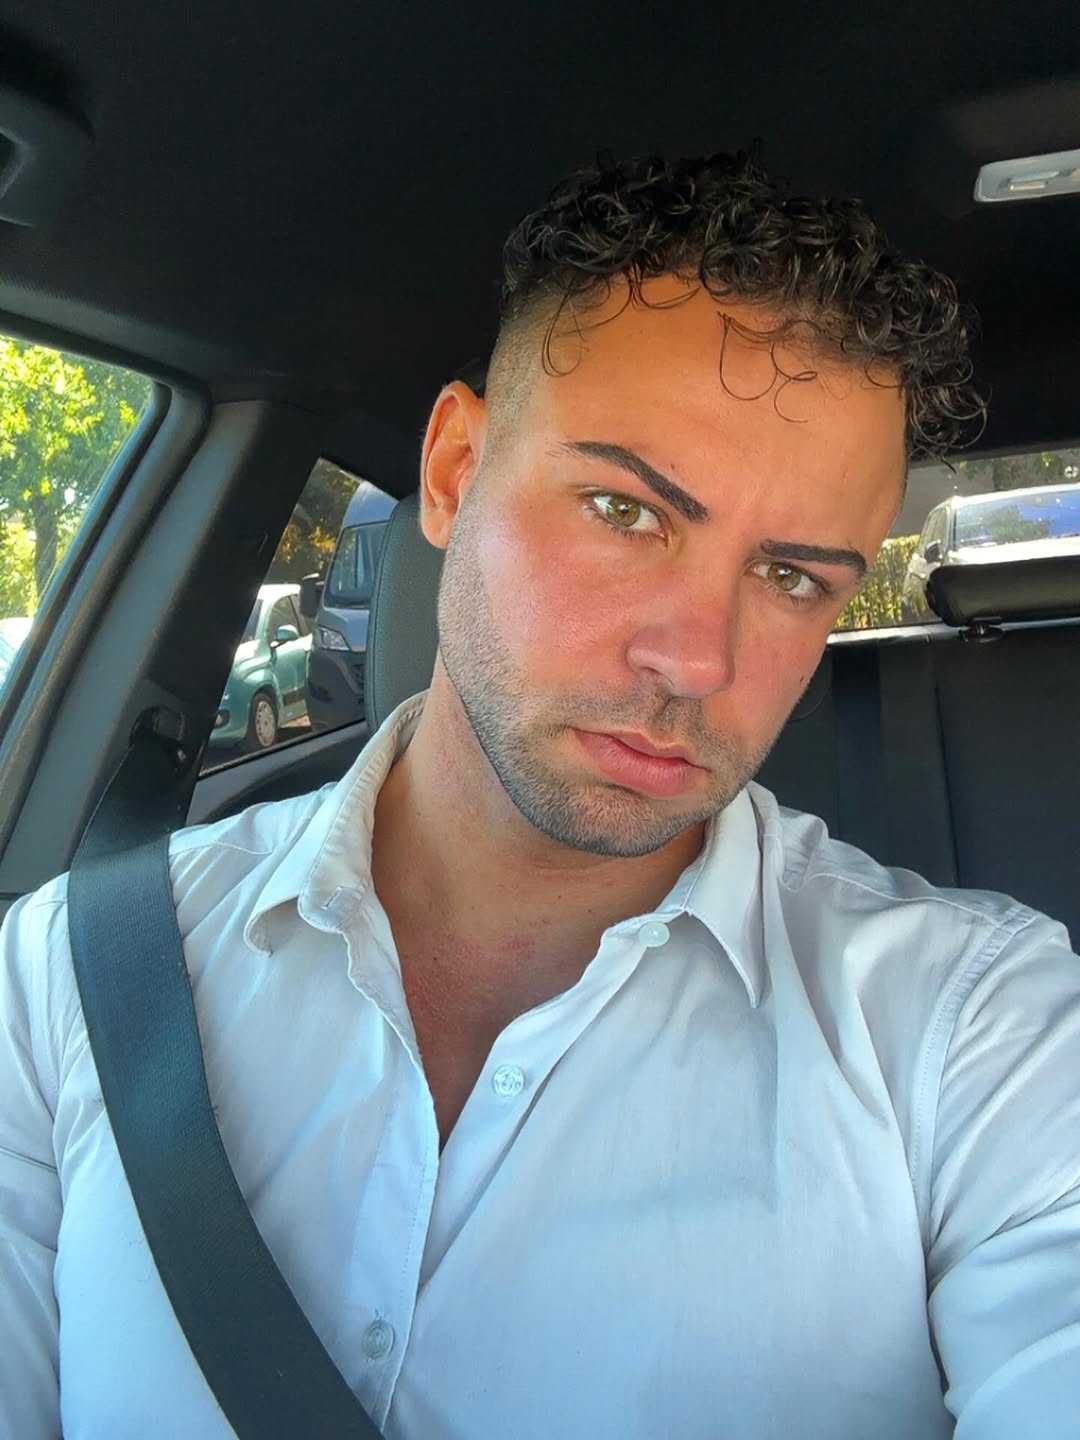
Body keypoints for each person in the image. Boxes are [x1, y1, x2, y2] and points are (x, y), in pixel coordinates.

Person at [2, 151, 1078, 1440]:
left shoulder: (982, 1033)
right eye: (625, 511)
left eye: (792, 577)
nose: (696, 661)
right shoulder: (72, 975)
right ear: (454, 471)